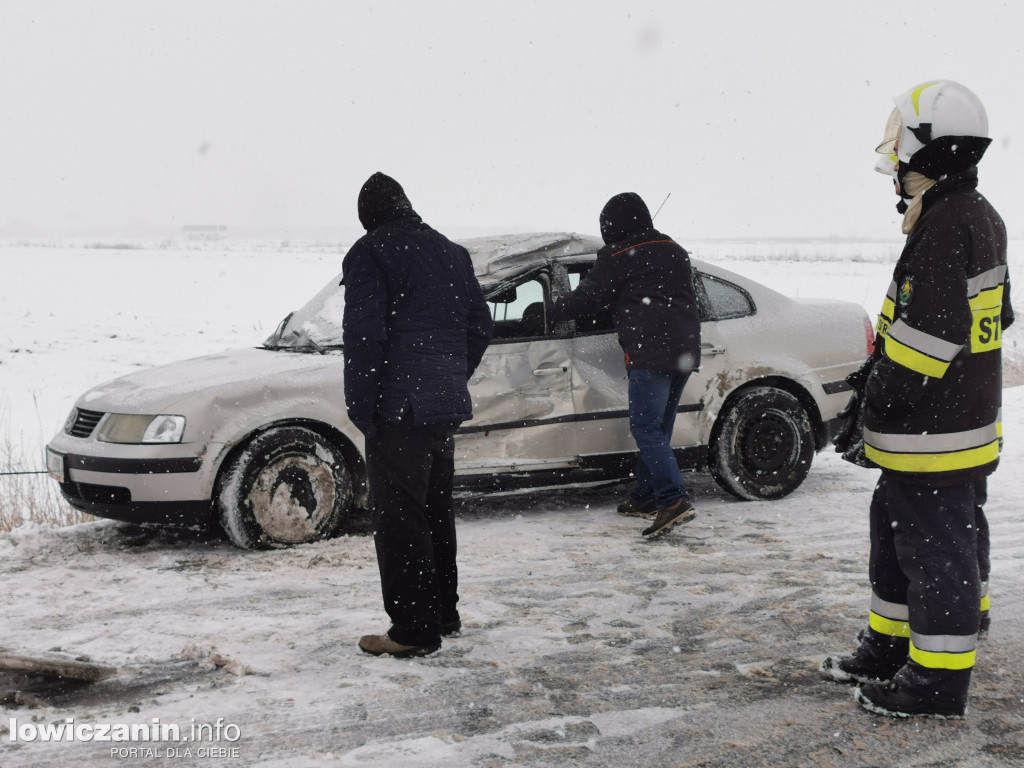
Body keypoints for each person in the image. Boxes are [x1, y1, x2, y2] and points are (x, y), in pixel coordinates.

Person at [821, 80, 1013, 718]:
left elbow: (928, 339)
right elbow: (993, 319)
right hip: (952, 427)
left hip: (931, 434)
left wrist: (874, 403)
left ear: (933, 151)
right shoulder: (977, 217)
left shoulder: (946, 226)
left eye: (902, 154)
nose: (896, 169)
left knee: (935, 556)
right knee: (905, 542)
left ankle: (932, 684)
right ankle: (891, 646)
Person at [342, 172, 493, 657]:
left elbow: (365, 338)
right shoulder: (452, 252)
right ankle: (443, 613)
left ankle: (413, 629)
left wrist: (363, 407)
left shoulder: (371, 252)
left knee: (399, 518)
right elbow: (479, 329)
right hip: (440, 406)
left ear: (369, 215)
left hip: (399, 407)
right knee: (433, 509)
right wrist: (450, 377)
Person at [552, 192, 701, 537]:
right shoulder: (674, 250)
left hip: (650, 351)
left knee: (646, 428)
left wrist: (550, 311)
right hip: (683, 352)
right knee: (658, 429)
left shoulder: (618, 255)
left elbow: (589, 297)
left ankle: (673, 500)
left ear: (613, 224)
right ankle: (647, 497)